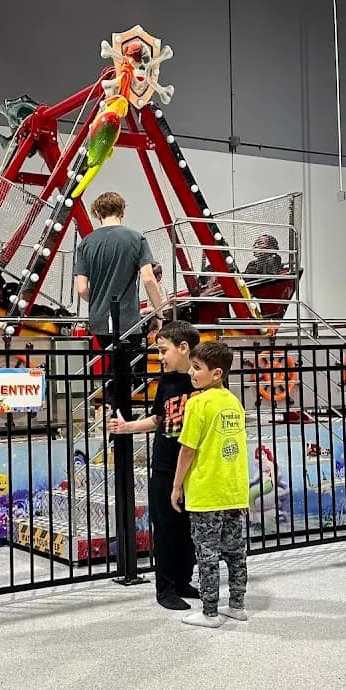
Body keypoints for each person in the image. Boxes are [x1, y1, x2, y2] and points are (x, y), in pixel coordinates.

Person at [109, 320, 201, 611]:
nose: (160, 357)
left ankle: (184, 579)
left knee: (189, 527)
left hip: (195, 467)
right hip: (165, 464)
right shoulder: (166, 381)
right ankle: (166, 588)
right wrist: (127, 427)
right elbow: (159, 420)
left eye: (164, 350)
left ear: (183, 348)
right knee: (164, 527)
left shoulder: (202, 381)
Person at [170, 341, 250, 628]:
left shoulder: (197, 404)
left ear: (216, 373)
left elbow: (188, 450)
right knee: (235, 552)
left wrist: (177, 486)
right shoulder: (233, 402)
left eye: (196, 368)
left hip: (207, 492)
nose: (191, 373)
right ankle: (237, 604)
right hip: (234, 491)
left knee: (207, 554)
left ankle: (210, 612)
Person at [74, 192, 164, 411]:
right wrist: (159, 312)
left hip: (100, 320)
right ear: (123, 211)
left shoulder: (85, 244)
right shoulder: (136, 239)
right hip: (127, 320)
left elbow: (82, 288)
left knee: (113, 370)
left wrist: (97, 302)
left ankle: (112, 416)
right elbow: (148, 278)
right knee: (125, 374)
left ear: (97, 213)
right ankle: (121, 427)